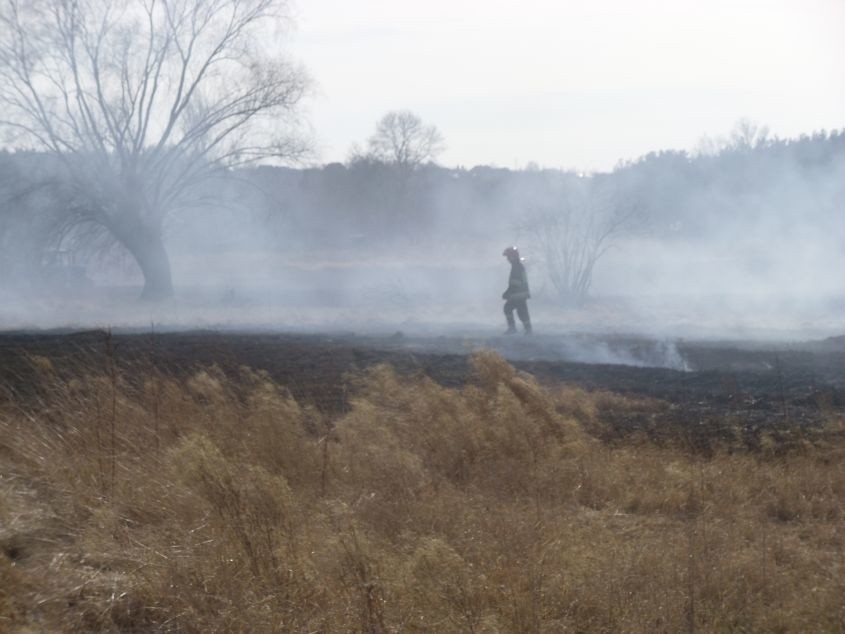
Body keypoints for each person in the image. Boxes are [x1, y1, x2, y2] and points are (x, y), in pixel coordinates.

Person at [501, 246, 532, 334]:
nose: (507, 259)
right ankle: (527, 330)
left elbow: (515, 283)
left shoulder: (516, 267)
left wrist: (507, 292)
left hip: (518, 294)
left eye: (508, 256)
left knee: (509, 309)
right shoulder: (518, 266)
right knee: (521, 312)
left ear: (513, 256)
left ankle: (514, 329)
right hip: (520, 294)